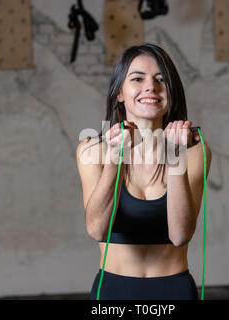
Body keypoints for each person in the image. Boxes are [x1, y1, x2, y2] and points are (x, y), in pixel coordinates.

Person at [76, 43, 212, 300]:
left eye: (161, 79)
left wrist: (174, 157)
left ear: (171, 92)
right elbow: (97, 229)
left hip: (174, 290)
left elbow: (180, 234)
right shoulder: (92, 150)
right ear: (119, 93)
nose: (151, 86)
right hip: (113, 291)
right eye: (138, 78)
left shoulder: (195, 152)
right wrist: (116, 159)